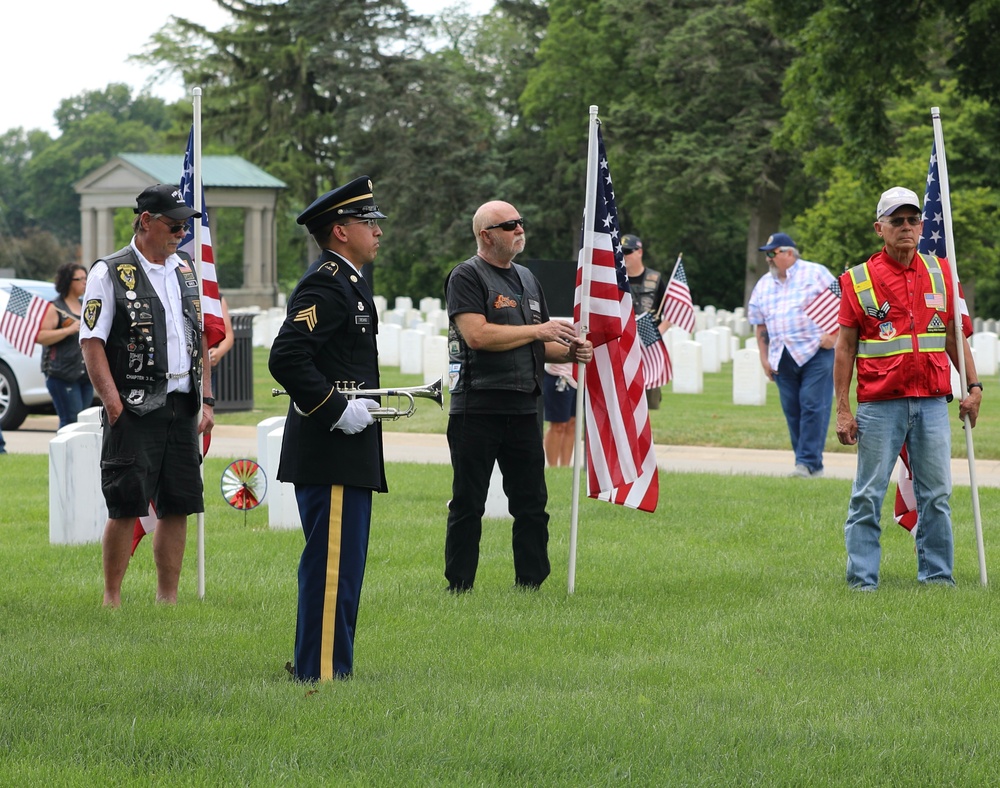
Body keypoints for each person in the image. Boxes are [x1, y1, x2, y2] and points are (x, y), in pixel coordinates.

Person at [268, 175, 387, 682]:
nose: (378, 231)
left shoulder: (350, 281)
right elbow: (287, 357)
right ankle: (319, 671)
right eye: (368, 222)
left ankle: (328, 664)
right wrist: (336, 410)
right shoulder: (327, 282)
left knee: (344, 565)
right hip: (330, 443)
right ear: (340, 231)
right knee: (332, 564)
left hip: (347, 448)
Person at [835, 186, 982, 590]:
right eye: (896, 221)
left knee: (936, 495)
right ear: (878, 228)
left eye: (912, 220)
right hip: (881, 405)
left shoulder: (941, 272)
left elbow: (955, 337)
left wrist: (974, 385)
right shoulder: (857, 279)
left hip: (933, 401)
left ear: (921, 225)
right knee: (868, 494)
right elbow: (845, 348)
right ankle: (862, 581)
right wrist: (844, 409)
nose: (906, 227)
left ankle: (937, 577)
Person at [444, 200, 593, 592]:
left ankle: (531, 584)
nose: (519, 229)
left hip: (524, 406)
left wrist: (571, 352)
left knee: (531, 504)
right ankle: (459, 586)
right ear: (485, 234)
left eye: (520, 222)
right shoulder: (466, 276)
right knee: (468, 503)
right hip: (476, 407)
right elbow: (477, 335)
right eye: (509, 225)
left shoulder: (527, 279)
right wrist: (539, 332)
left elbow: (539, 347)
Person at [80, 184, 214, 607]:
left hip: (182, 401)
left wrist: (206, 399)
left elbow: (199, 338)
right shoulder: (110, 272)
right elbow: (91, 342)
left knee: (179, 503)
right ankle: (112, 598)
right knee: (125, 503)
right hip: (134, 407)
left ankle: (167, 599)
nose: (180, 234)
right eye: (174, 225)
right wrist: (113, 403)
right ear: (145, 222)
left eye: (185, 227)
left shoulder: (185, 269)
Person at [748, 233, 837, 478]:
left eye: (772, 253)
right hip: (781, 354)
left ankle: (805, 463)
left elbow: (844, 304)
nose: (768, 259)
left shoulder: (815, 273)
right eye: (766, 254)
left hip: (816, 351)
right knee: (792, 410)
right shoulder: (764, 284)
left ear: (789, 253)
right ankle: (810, 465)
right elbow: (760, 323)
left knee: (812, 405)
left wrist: (833, 336)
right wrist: (763, 358)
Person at [36, 263, 94, 428]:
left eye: (86, 278)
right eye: (80, 279)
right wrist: (67, 330)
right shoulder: (55, 307)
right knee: (70, 422)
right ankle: (62, 454)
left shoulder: (86, 305)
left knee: (83, 423)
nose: (85, 282)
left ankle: (79, 455)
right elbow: (41, 336)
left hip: (85, 375)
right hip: (61, 374)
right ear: (68, 281)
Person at [622, 234, 670, 409]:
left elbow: (670, 312)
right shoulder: (615, 279)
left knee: (646, 401)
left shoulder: (655, 280)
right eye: (620, 252)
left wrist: (656, 335)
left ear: (639, 252)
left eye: (628, 252)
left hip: (648, 346)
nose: (624, 256)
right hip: (622, 345)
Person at [542, 362, 576, 467]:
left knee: (572, 425)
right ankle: (553, 468)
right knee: (558, 426)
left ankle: (564, 468)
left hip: (579, 377)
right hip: (559, 375)